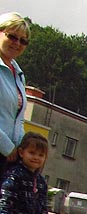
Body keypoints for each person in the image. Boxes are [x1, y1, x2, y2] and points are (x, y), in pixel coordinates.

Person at [0, 13, 28, 169]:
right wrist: (6, 146)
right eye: (12, 37)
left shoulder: (18, 74)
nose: (17, 43)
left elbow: (19, 118)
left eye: (23, 40)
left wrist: (23, 149)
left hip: (10, 158)